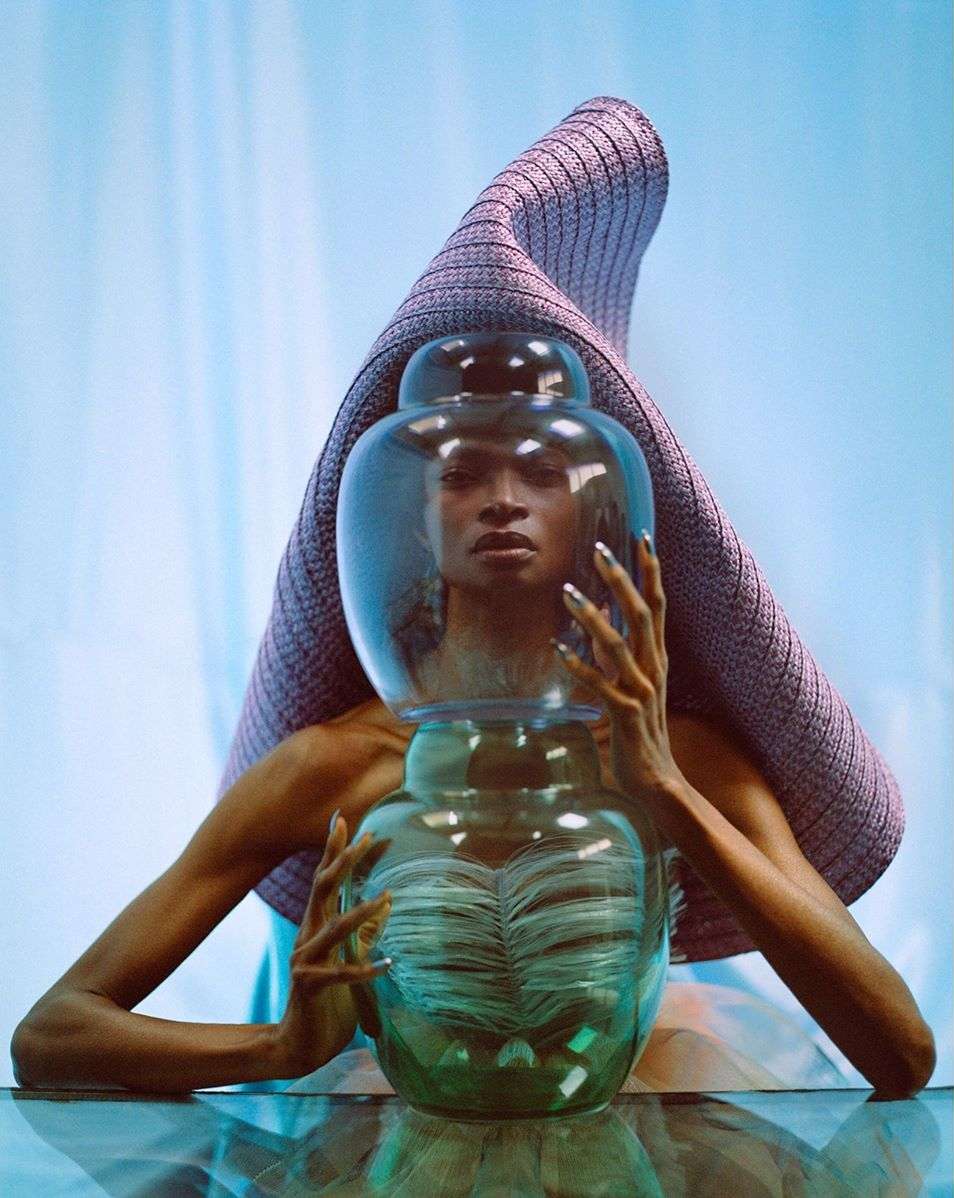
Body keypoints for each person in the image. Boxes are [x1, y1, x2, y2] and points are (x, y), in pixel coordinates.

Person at [10, 443, 937, 1099]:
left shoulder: (679, 757)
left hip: (639, 1125)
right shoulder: (331, 768)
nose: (503, 499)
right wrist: (277, 1050)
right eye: (462, 476)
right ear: (416, 518)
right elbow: (52, 1036)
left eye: (542, 472)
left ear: (593, 512)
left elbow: (900, 1055)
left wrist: (664, 789)